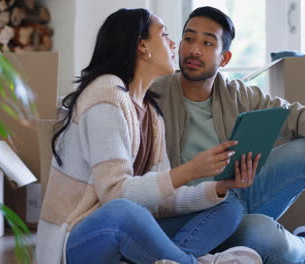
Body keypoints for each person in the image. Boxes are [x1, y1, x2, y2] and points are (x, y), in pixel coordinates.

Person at [150, 6, 305, 264]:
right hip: (194, 215)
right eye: (189, 39)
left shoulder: (238, 94)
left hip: (240, 195)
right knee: (269, 241)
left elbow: (298, 115)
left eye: (207, 42)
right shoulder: (155, 95)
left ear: (224, 58)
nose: (194, 49)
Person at [36, 8, 264, 264]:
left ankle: (169, 259)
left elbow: (162, 201)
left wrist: (219, 187)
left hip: (126, 231)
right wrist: (189, 171)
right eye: (164, 35)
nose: (173, 43)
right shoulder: (106, 94)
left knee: (228, 205)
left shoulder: (151, 113)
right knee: (124, 212)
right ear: (142, 46)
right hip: (75, 241)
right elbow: (114, 195)